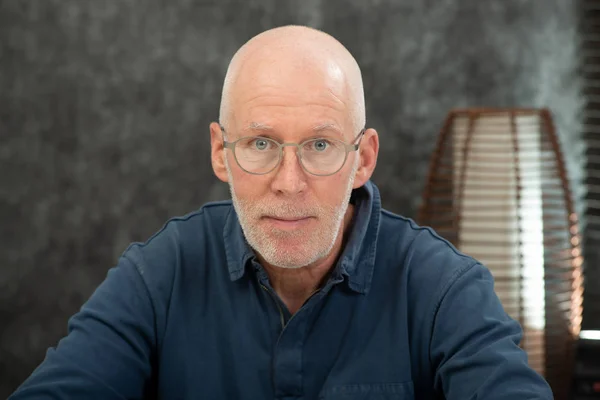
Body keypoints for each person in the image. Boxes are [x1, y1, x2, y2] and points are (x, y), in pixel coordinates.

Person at [10, 25, 553, 400]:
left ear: (361, 159)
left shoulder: (445, 290)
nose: (288, 184)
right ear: (221, 153)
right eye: (262, 144)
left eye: (319, 146)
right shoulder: (160, 276)